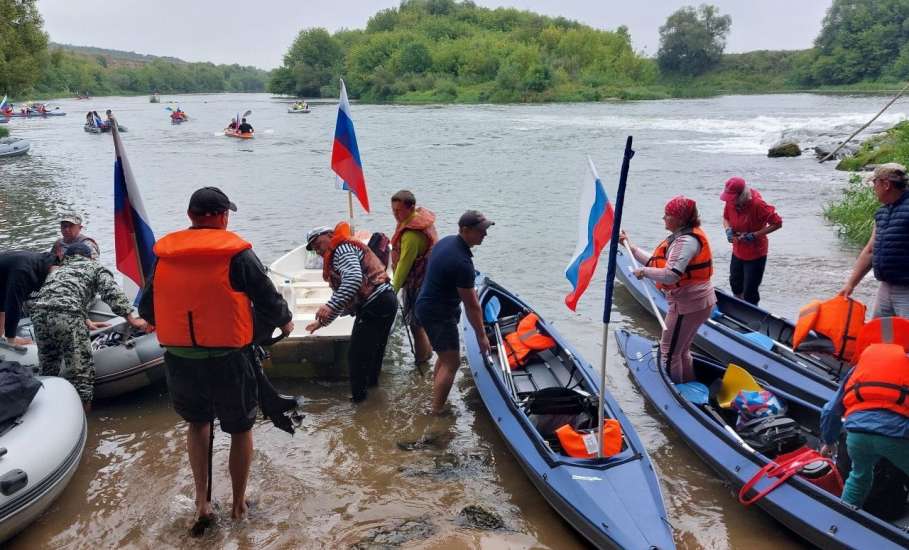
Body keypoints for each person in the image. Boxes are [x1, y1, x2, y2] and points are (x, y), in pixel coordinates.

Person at [138, 186, 293, 526]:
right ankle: (238, 505)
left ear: (190, 216)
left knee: (198, 423)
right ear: (223, 217)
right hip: (229, 358)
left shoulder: (165, 256)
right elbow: (268, 298)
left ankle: (202, 503)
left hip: (180, 358)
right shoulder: (237, 254)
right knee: (240, 428)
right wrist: (285, 322)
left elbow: (147, 307)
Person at [31, 243, 148, 410]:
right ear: (89, 257)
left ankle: (46, 409)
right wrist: (132, 319)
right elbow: (111, 292)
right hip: (67, 315)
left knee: (48, 367)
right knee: (81, 373)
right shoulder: (93, 267)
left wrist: (86, 321)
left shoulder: (58, 271)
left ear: (67, 258)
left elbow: (60, 296)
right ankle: (85, 417)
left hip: (38, 315)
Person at [620, 196, 716, 384]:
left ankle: (676, 391)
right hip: (698, 302)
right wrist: (629, 247)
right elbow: (658, 263)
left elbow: (671, 274)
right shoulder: (682, 236)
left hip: (688, 305)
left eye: (668, 215)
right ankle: (688, 385)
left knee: (669, 352)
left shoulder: (686, 242)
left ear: (680, 219)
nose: (664, 218)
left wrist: (644, 273)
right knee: (681, 350)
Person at [304, 222, 398, 403]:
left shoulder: (341, 249)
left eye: (318, 244)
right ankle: (372, 394)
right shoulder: (341, 250)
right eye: (313, 249)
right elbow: (345, 295)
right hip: (385, 300)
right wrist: (322, 322)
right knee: (373, 353)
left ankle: (359, 404)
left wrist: (329, 306)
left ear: (330, 235)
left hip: (376, 303)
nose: (317, 250)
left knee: (356, 357)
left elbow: (353, 280)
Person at [819, 329, 909, 508]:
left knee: (859, 476)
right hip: (896, 436)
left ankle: (843, 517)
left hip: (857, 436)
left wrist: (828, 441)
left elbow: (830, 410)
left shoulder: (859, 368)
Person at [415, 210, 492, 415]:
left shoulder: (447, 242)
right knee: (452, 362)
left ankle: (436, 397)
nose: (485, 235)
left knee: (444, 356)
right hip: (438, 314)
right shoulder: (462, 263)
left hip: (427, 305)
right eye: (481, 231)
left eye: (485, 230)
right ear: (465, 230)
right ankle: (436, 411)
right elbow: (472, 305)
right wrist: (482, 336)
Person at [841, 163, 909, 318]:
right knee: (882, 335)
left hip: (906, 293)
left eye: (875, 182)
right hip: (886, 289)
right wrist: (851, 284)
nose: (873, 188)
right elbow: (870, 250)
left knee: (906, 338)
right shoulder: (882, 212)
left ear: (886, 184)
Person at [390, 190, 437, 364]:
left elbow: (403, 266)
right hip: (430, 281)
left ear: (411, 208)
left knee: (415, 325)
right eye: (393, 210)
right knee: (421, 323)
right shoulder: (419, 219)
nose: (396, 214)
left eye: (399, 211)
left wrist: (392, 291)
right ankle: (428, 353)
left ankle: (421, 360)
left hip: (417, 285)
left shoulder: (411, 235)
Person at [720, 177, 783, 306]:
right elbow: (726, 218)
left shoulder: (758, 205)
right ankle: (738, 307)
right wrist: (728, 230)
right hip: (738, 250)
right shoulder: (731, 202)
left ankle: (751, 313)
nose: (730, 201)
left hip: (756, 253)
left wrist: (755, 235)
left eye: (732, 198)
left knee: (750, 291)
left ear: (741, 195)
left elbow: (777, 223)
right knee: (735, 284)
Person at [0, 250, 59, 346]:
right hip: (15, 267)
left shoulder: (49, 260)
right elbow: (13, 304)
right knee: (12, 302)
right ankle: (9, 339)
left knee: (2, 300)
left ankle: (2, 336)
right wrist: (11, 339)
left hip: (8, 268)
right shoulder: (24, 273)